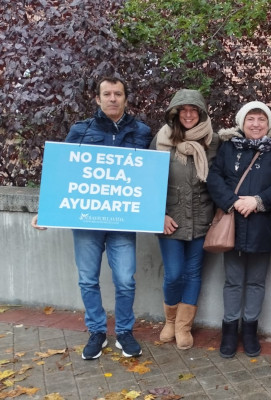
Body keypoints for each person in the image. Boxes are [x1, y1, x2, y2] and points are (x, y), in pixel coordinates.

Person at [31, 76, 151, 359]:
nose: (112, 98)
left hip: (123, 220)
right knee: (87, 279)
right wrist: (46, 209)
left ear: (125, 98)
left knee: (125, 279)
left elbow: (150, 178)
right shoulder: (80, 130)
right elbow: (65, 172)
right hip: (86, 218)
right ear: (97, 99)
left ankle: (124, 332)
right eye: (107, 94)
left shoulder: (143, 132)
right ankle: (97, 332)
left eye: (118, 94)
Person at [206, 101, 271, 358]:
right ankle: (229, 331)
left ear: (269, 124)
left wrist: (258, 201)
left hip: (263, 226)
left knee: (256, 282)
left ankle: (250, 331)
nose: (256, 124)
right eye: (251, 119)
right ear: (242, 122)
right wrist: (232, 202)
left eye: (261, 119)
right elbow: (215, 177)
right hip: (233, 223)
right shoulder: (228, 148)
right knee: (232, 282)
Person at [150, 89, 219, 350]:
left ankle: (183, 326)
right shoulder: (161, 139)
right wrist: (159, 214)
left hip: (202, 218)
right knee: (174, 273)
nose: (189, 114)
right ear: (175, 113)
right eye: (183, 110)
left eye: (194, 110)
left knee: (193, 274)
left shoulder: (212, 141)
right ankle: (169, 320)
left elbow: (219, 178)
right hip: (171, 219)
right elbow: (149, 180)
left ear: (201, 113)